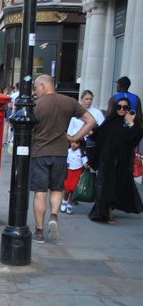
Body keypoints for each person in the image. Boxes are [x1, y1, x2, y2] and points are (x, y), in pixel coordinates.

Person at [31, 74, 96, 243]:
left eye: (37, 87)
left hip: (39, 153)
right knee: (57, 189)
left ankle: (39, 231)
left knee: (40, 193)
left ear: (44, 86)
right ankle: (54, 215)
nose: (35, 91)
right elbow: (91, 121)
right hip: (60, 153)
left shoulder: (36, 105)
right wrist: (75, 138)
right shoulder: (69, 102)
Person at [88, 97, 143, 223]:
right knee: (107, 187)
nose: (122, 110)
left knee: (119, 186)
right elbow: (98, 137)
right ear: (115, 108)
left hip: (123, 162)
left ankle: (111, 209)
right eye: (119, 107)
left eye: (125, 107)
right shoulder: (109, 122)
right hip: (107, 162)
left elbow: (133, 139)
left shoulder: (129, 123)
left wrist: (131, 123)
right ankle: (106, 213)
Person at [68, 89, 105, 166]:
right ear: (82, 99)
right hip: (77, 144)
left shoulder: (97, 113)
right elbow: (70, 130)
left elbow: (103, 128)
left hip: (91, 144)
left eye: (90, 99)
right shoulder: (76, 111)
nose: (89, 101)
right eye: (86, 99)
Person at [60, 140, 89, 214]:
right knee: (67, 188)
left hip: (78, 172)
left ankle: (70, 204)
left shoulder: (82, 152)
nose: (74, 144)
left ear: (79, 144)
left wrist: (86, 165)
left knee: (74, 189)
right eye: (72, 142)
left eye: (76, 143)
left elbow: (85, 163)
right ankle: (64, 202)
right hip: (69, 171)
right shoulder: (67, 151)